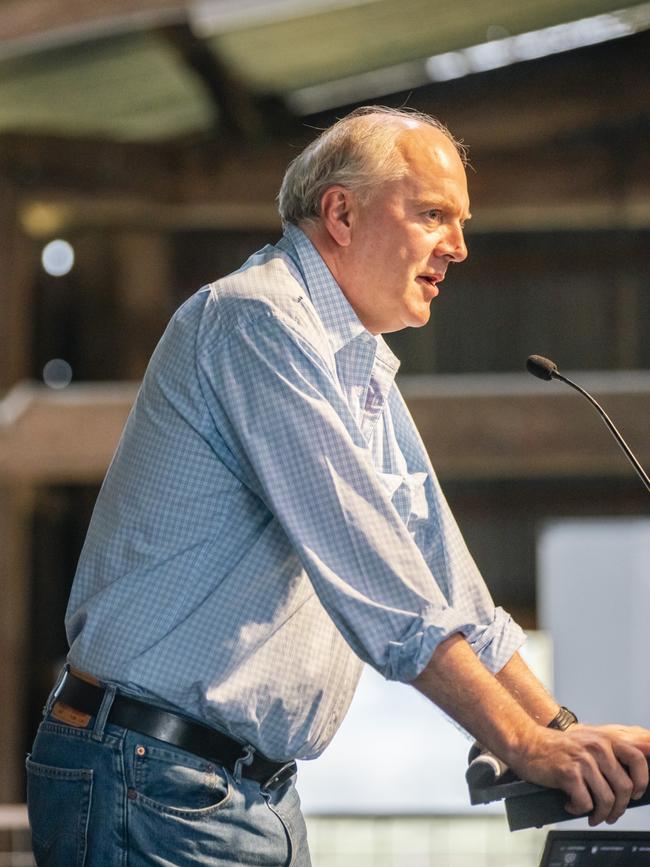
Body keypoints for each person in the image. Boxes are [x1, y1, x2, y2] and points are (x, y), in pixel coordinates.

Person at [27, 106, 650, 866]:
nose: (458, 247)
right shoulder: (256, 322)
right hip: (156, 785)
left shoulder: (356, 362)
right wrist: (516, 740)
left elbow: (447, 583)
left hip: (241, 790)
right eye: (433, 215)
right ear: (342, 213)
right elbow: (379, 580)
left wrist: (559, 731)